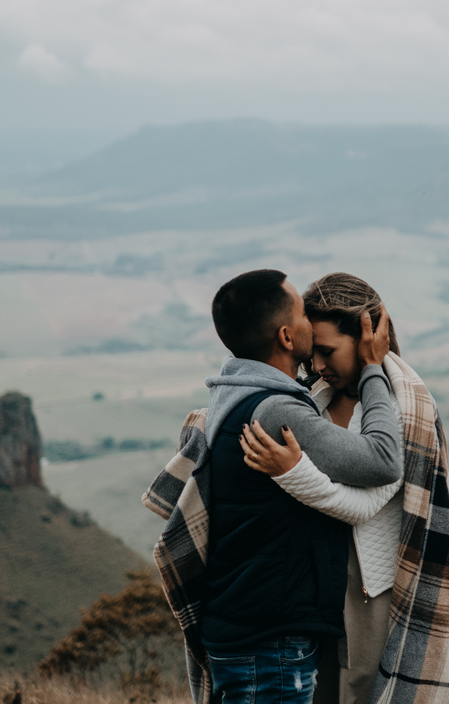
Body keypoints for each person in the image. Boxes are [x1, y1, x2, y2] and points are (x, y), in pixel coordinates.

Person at [142, 268, 403, 704]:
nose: (309, 319)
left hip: (246, 628)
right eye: (302, 314)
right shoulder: (276, 411)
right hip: (269, 638)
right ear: (286, 336)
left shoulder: (237, 393)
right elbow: (381, 459)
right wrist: (374, 369)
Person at [239, 272, 449, 704]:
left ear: (367, 339)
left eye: (328, 352)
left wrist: (290, 471)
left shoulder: (405, 405)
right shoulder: (314, 396)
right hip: (310, 583)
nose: (318, 365)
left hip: (367, 589)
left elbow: (364, 507)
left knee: (362, 692)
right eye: (314, 352)